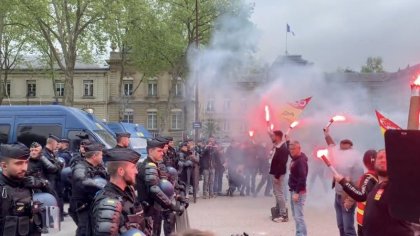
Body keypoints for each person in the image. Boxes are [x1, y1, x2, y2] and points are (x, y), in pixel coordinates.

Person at [89, 148, 151, 235]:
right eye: (133, 167)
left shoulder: (127, 191)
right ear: (121, 171)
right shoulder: (108, 203)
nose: (136, 171)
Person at [137, 138, 184, 236]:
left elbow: (164, 186)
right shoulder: (147, 166)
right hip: (148, 212)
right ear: (150, 151)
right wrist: (171, 205)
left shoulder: (156, 165)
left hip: (155, 210)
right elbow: (154, 190)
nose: (162, 153)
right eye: (159, 151)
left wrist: (177, 196)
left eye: (162, 151)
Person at [361, 149, 414, 236]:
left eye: (387, 158)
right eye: (380, 157)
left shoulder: (399, 185)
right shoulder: (376, 188)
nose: (383, 160)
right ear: (374, 163)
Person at [324, 128, 364, 236]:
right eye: (342, 143)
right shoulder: (337, 150)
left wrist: (351, 200)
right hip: (337, 195)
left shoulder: (356, 157)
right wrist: (326, 134)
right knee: (341, 226)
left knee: (348, 229)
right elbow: (331, 145)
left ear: (350, 145)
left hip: (347, 196)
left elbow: (358, 182)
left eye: (345, 143)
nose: (342, 144)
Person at [0, 143, 43, 236]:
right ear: (4, 166)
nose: (24, 168)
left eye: (26, 163)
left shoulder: (27, 183)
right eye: (18, 163)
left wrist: (43, 184)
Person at [334, 150, 378, 236]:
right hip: (369, 222)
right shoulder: (380, 176)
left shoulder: (368, 178)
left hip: (366, 223)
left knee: (348, 229)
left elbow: (361, 195)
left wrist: (344, 182)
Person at [71, 143, 107, 236]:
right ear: (94, 156)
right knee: (84, 230)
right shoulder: (80, 167)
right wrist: (100, 185)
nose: (102, 157)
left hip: (93, 204)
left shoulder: (99, 167)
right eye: (101, 155)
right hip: (82, 206)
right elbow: (81, 180)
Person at [288, 141, 308, 236]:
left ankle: (301, 234)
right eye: (290, 149)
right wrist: (288, 140)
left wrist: (296, 192)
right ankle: (299, 234)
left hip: (298, 192)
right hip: (294, 190)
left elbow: (302, 178)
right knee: (296, 216)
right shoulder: (296, 158)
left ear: (299, 148)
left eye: (293, 149)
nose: (291, 151)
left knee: (299, 216)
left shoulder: (300, 161)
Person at [269, 130, 290, 222]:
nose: (271, 137)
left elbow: (282, 163)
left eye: (273, 136)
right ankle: (279, 210)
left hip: (278, 174)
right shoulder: (278, 146)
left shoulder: (283, 148)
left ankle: (283, 214)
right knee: (276, 193)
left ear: (277, 137)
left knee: (279, 194)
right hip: (274, 173)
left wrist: (277, 176)